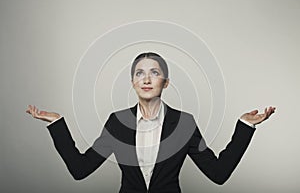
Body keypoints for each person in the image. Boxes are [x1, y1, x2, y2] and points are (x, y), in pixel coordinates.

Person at [26, 52, 275, 193]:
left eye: (154, 72)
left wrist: (244, 125)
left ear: (165, 82)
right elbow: (80, 170)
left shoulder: (184, 123)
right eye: (139, 73)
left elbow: (218, 174)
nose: (146, 79)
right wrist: (57, 123)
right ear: (133, 82)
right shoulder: (118, 123)